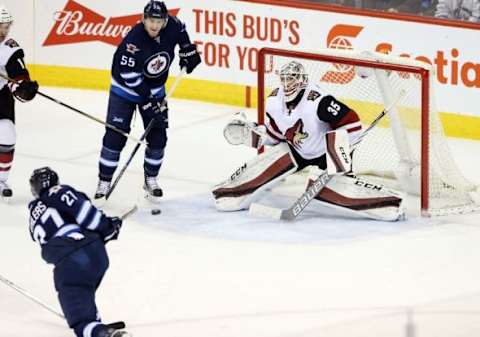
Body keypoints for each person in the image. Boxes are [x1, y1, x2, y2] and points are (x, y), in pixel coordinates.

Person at [213, 61, 405, 221]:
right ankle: (230, 194)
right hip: (297, 150)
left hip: (326, 153)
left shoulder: (319, 101)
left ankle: (391, 205)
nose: (288, 84)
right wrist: (256, 134)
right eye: (285, 79)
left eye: (293, 79)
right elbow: (277, 134)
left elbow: (352, 123)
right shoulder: (273, 102)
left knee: (326, 190)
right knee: (267, 163)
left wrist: (339, 153)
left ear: (302, 80)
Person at [95, 0, 201, 201]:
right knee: (115, 137)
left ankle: (150, 179)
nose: (154, 25)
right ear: (143, 19)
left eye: (158, 21)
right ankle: (104, 181)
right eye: (150, 20)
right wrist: (147, 100)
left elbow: (181, 32)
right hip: (124, 90)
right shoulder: (134, 40)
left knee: (158, 136)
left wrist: (188, 50)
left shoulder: (173, 25)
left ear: (165, 20)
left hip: (155, 89)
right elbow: (128, 74)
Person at [28, 167, 131, 337]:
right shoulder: (59, 192)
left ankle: (102, 332)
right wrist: (107, 227)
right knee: (85, 293)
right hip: (95, 254)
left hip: (70, 263)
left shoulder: (33, 214)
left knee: (82, 322)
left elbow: (59, 235)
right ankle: (97, 325)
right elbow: (86, 214)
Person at [0, 6, 38, 198]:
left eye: (7, 26)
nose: (4, 31)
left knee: (7, 134)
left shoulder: (9, 47)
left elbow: (18, 76)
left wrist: (24, 88)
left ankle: (1, 179)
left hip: (0, 96)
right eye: (1, 27)